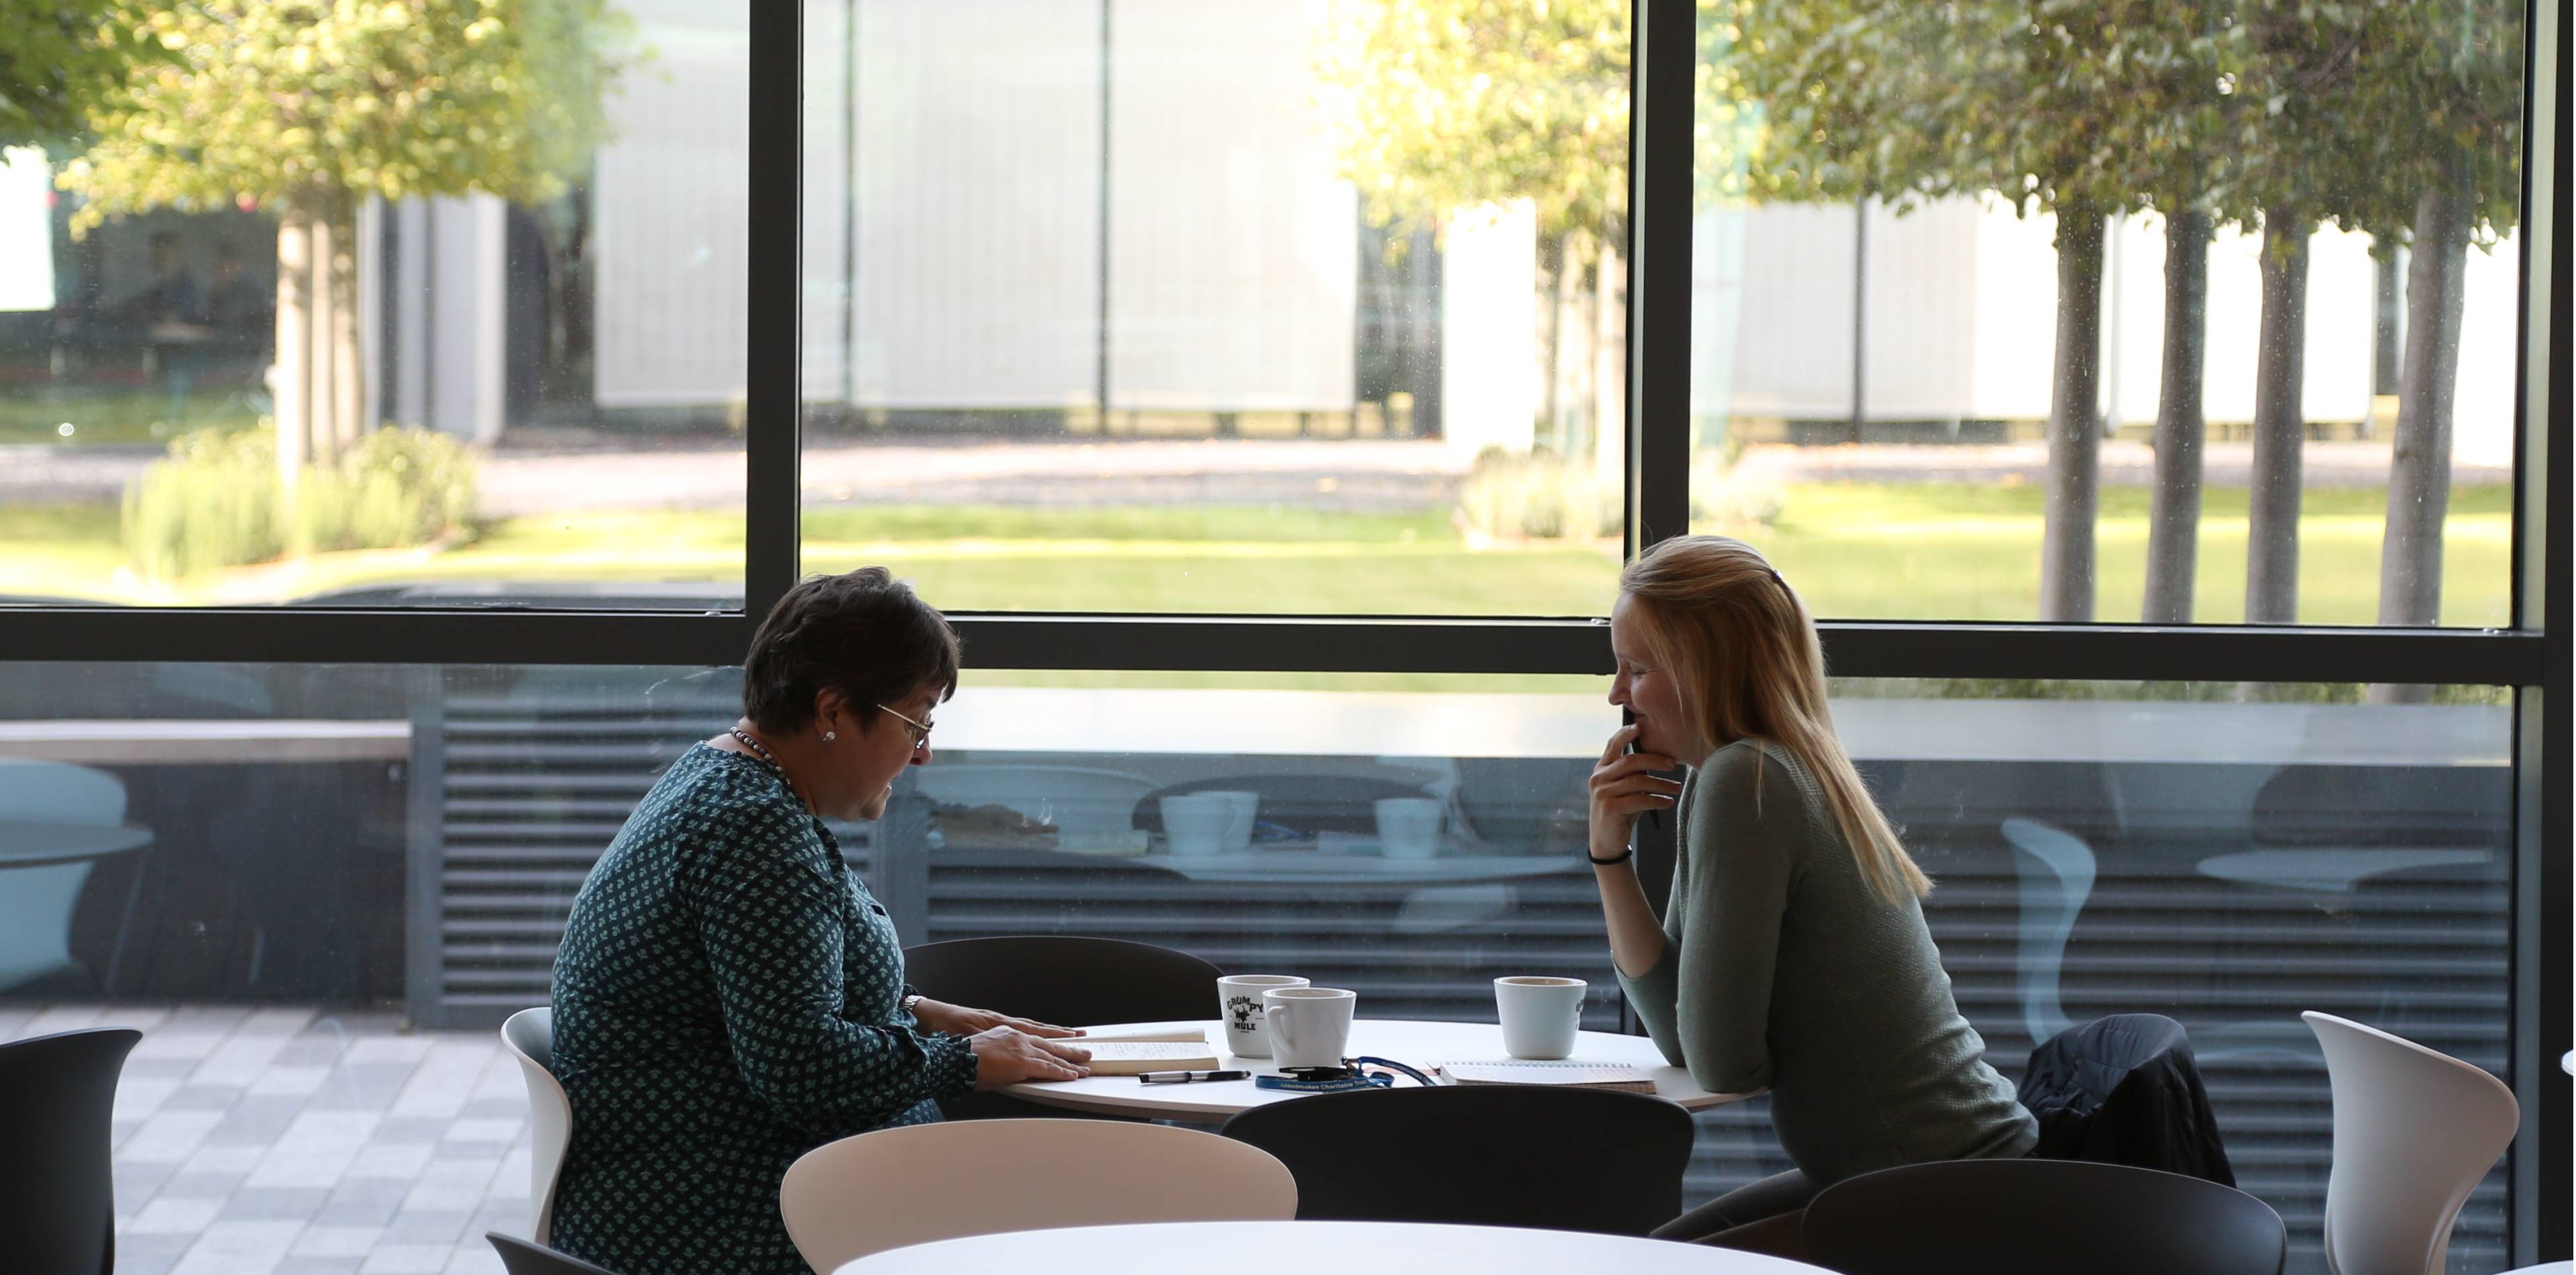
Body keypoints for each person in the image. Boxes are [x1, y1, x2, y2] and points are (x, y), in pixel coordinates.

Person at [547, 568, 1093, 1275]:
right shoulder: (753, 831)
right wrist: (963, 1062)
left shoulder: (725, 775)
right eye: (916, 720)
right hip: (715, 1214)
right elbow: (798, 1067)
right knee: (1075, 1208)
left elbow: (757, 992)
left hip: (734, 1183)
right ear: (832, 710)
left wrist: (918, 1011)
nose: (923, 750)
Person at [1588, 535, 2035, 1252]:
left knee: (1642, 1264)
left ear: (1705, 668)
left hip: (1946, 1196)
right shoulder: (1748, 771)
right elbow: (1680, 1037)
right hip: (1921, 1172)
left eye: (1637, 669)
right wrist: (1610, 854)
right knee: (1647, 1256)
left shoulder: (1748, 781)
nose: (1617, 694)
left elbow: (1724, 1065)